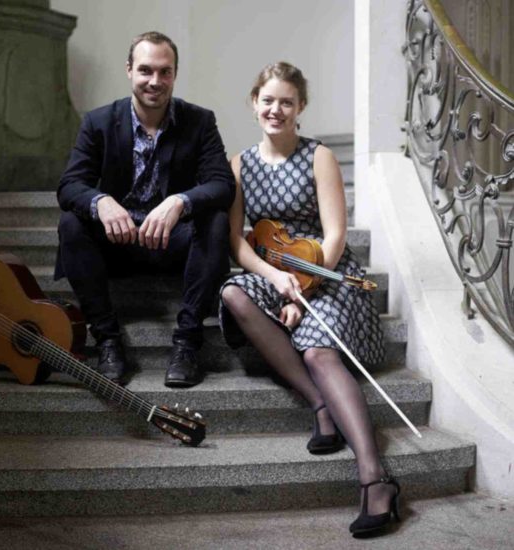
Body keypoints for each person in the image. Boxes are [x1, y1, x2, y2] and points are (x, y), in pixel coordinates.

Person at [219, 62, 400, 536]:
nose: (275, 109)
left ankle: (375, 480)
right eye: (268, 100)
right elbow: (237, 243)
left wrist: (304, 289)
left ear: (301, 107)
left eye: (286, 101)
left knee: (318, 350)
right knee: (235, 293)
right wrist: (276, 280)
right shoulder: (238, 165)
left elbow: (336, 236)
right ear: (253, 102)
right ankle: (320, 403)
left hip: (328, 272)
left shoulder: (318, 156)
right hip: (272, 271)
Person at [55, 31, 235, 387]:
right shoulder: (99, 122)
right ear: (129, 71)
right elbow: (69, 186)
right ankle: (107, 340)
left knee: (215, 221)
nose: (155, 81)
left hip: (171, 244)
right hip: (116, 245)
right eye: (145, 70)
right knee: (71, 223)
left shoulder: (199, 121)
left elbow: (222, 184)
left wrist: (179, 201)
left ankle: (187, 343)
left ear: (175, 74)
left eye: (165, 72)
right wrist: (100, 201)